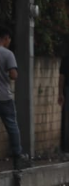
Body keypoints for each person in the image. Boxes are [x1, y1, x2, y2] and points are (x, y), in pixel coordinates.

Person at [0, 26, 31, 170]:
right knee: (12, 127)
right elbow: (13, 75)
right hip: (4, 97)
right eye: (8, 40)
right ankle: (18, 158)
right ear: (5, 38)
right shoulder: (7, 54)